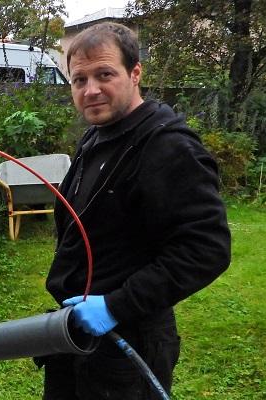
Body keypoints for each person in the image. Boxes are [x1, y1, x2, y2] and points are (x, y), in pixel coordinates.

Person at [40, 22, 231, 399]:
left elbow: (207, 249)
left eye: (104, 74)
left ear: (135, 72)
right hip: (74, 334)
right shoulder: (98, 135)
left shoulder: (167, 147)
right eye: (79, 80)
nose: (91, 90)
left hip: (127, 347)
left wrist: (115, 305)